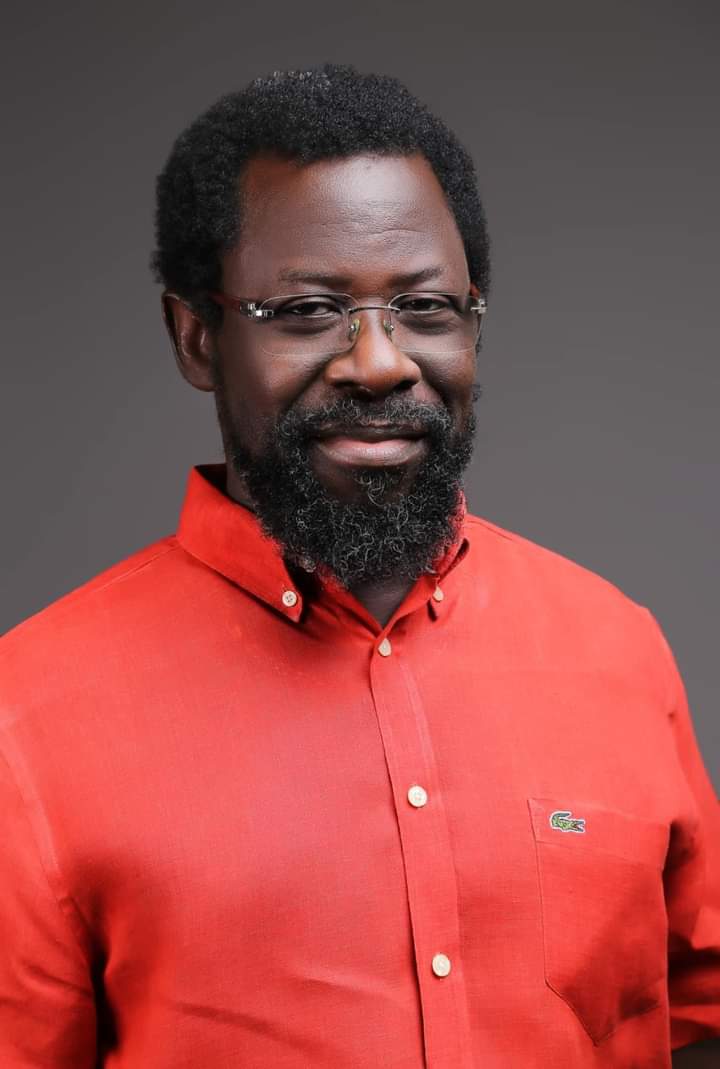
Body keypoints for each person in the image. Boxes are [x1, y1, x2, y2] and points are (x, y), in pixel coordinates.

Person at [0, 64, 717, 1069]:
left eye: (425, 306)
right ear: (197, 336)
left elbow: (697, 1020)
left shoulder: (619, 648)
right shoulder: (26, 716)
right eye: (307, 309)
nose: (380, 362)